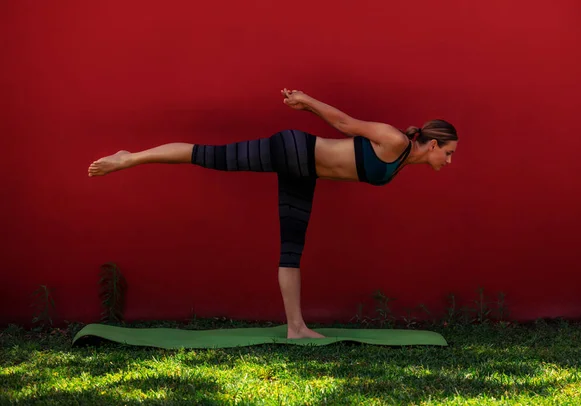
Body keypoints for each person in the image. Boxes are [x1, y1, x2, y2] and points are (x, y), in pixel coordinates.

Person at [88, 88, 458, 339]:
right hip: (294, 151)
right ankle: (131, 157)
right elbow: (345, 124)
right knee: (209, 156)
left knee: (292, 249)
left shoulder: (403, 161)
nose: (450, 160)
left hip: (304, 170)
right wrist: (306, 101)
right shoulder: (395, 140)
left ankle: (296, 327)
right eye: (450, 153)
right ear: (435, 144)